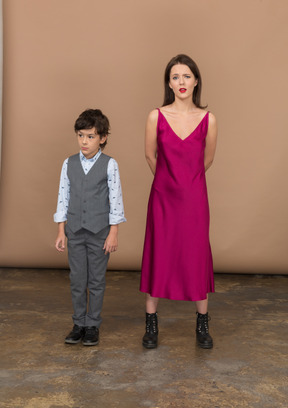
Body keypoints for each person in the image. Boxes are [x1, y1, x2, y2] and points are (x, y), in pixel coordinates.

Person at [140, 54, 217, 349]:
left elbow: (207, 160)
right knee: (159, 252)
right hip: (162, 197)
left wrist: (187, 182)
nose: (181, 82)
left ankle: (202, 324)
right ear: (168, 83)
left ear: (196, 81)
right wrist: (168, 183)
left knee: (196, 255)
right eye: (175, 77)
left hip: (195, 199)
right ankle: (151, 324)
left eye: (187, 76)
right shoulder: (155, 116)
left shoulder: (208, 119)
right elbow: (150, 156)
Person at [54, 109, 126, 346]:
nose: (84, 141)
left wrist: (113, 232)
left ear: (102, 138)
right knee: (77, 279)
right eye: (81, 135)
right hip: (74, 231)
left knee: (95, 280)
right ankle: (78, 323)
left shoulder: (109, 164)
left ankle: (92, 324)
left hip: (99, 233)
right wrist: (61, 230)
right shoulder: (69, 163)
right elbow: (63, 196)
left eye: (91, 136)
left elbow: (115, 200)